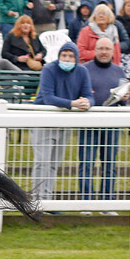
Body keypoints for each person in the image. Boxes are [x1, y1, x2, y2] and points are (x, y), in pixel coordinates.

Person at [31, 42, 93, 202]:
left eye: (71, 56)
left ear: (76, 58)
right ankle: (37, 200)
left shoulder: (82, 71)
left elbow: (88, 94)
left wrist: (87, 103)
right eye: (64, 55)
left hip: (64, 122)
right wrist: (73, 104)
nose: (67, 58)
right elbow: (48, 97)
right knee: (42, 162)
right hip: (43, 121)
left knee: (53, 163)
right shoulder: (49, 69)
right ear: (58, 56)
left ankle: (48, 200)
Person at [79, 38, 127, 203]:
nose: (104, 52)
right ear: (95, 50)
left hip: (111, 124)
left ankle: (108, 202)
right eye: (100, 49)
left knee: (109, 164)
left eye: (107, 49)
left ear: (113, 51)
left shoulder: (119, 71)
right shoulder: (84, 69)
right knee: (86, 163)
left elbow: (124, 100)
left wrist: (125, 97)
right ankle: (86, 202)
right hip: (88, 123)